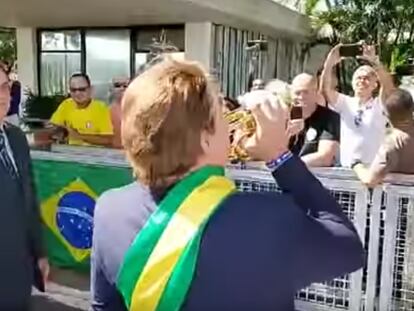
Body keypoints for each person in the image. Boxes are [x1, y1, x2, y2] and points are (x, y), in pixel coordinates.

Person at [91, 59, 364, 311]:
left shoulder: (109, 208)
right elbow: (349, 248)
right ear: (206, 139)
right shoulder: (269, 218)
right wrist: (278, 156)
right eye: (222, 115)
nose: (231, 123)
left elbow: (104, 306)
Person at [0, 66, 49, 309]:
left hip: (19, 271)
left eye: (4, 87)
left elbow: (29, 198)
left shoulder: (16, 138)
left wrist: (38, 252)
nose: (1, 95)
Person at [321, 44, 395, 167]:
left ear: (375, 85)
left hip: (372, 170)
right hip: (346, 169)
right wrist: (329, 63)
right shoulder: (345, 102)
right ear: (352, 83)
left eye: (366, 78)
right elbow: (325, 90)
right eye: (358, 78)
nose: (361, 81)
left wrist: (374, 62)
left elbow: (388, 87)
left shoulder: (379, 104)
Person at [353, 89, 414, 187]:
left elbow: (370, 180)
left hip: (400, 200)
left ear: (387, 115)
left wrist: (357, 166)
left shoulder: (392, 143)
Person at [289, 73, 340, 167]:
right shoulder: (284, 115)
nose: (301, 97)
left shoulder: (330, 118)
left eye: (305, 92)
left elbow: (325, 158)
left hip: (315, 176)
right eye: (297, 93)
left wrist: (291, 165)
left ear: (316, 93)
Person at [50, 73, 114, 147]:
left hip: (95, 155)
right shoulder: (66, 104)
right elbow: (54, 127)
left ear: (90, 89)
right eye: (73, 90)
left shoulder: (100, 108)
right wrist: (59, 132)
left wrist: (79, 136)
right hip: (70, 153)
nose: (77, 93)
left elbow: (108, 140)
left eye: (82, 89)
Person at [110, 77, 130, 148]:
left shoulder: (140, 109)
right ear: (111, 89)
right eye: (117, 85)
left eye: (125, 86)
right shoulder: (104, 110)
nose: (122, 88)